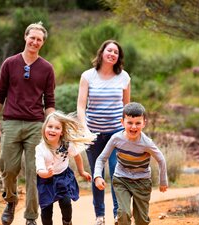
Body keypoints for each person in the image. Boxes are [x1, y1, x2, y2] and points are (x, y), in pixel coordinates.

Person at [0, 22, 56, 225]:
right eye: (32, 37)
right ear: (25, 37)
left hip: (36, 125)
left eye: (39, 39)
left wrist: (50, 126)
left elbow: (50, 102)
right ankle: (10, 201)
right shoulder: (9, 63)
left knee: (35, 172)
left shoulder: (47, 68)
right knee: (8, 168)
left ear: (42, 43)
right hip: (11, 123)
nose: (35, 42)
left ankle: (31, 217)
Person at [77, 40, 131, 225]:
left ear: (118, 57)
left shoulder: (124, 77)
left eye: (116, 52)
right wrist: (84, 129)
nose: (112, 54)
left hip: (116, 134)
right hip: (93, 133)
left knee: (117, 172)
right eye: (109, 50)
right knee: (97, 174)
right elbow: (81, 106)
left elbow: (127, 107)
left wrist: (128, 129)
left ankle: (118, 214)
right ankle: (99, 215)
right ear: (102, 53)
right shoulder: (88, 76)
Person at [94, 102, 168, 225]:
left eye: (138, 123)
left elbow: (161, 159)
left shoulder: (146, 143)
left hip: (142, 181)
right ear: (122, 122)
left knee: (141, 220)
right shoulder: (116, 139)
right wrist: (97, 175)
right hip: (121, 179)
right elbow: (101, 158)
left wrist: (163, 181)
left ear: (144, 123)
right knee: (123, 213)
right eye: (129, 123)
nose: (133, 127)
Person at [35, 111, 94, 225]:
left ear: (61, 132)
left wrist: (82, 171)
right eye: (50, 126)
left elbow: (77, 156)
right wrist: (47, 173)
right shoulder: (41, 149)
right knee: (46, 210)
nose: (52, 130)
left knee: (66, 202)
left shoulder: (66, 145)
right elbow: (40, 170)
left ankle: (67, 221)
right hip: (46, 180)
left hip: (63, 176)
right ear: (44, 128)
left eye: (57, 128)